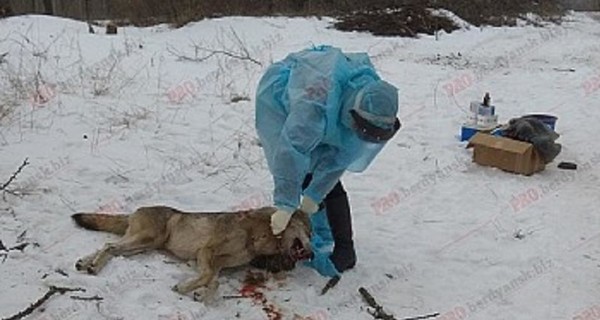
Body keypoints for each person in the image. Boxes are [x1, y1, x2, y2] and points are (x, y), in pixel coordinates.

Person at [254, 45, 400, 277]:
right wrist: (285, 203)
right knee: (302, 168)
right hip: (283, 98)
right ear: (353, 114)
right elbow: (292, 151)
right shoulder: (314, 104)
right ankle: (303, 224)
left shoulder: (375, 102)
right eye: (362, 130)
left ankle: (341, 245)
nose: (363, 137)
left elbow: (340, 157)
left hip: (333, 111)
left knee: (326, 179)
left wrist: (315, 194)